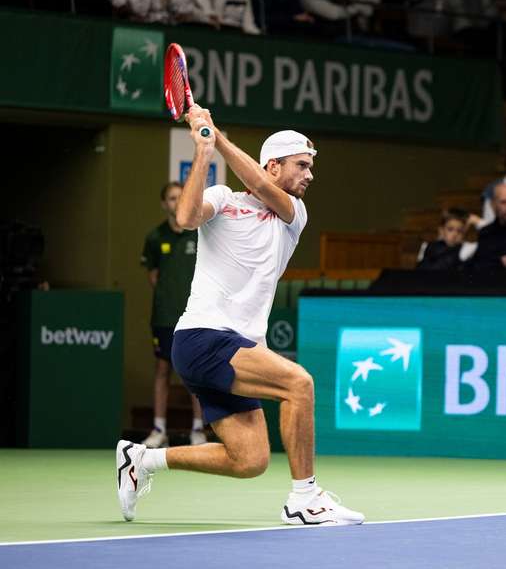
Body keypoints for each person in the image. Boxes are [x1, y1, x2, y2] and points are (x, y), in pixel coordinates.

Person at [116, 107, 365, 527]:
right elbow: (185, 217)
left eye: (311, 167)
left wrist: (220, 138)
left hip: (239, 346)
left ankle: (141, 459)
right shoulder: (222, 199)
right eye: (301, 165)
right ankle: (304, 500)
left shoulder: (293, 214)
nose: (309, 175)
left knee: (249, 459)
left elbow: (257, 183)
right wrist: (203, 149)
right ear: (274, 164)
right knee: (299, 384)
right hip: (202, 336)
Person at [140, 182, 207, 448]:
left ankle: (198, 430)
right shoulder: (155, 237)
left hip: (196, 316)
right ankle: (159, 430)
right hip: (164, 318)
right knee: (162, 369)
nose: (175, 202)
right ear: (163, 204)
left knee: (195, 372)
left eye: (180, 197)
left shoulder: (200, 233)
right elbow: (154, 278)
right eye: (170, 198)